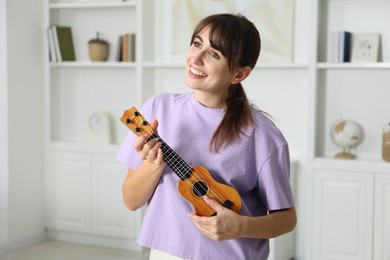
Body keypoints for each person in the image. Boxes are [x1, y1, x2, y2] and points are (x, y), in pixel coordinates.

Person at [116, 13, 296, 260]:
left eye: (214, 54)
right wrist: (152, 164)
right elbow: (130, 200)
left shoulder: (263, 135)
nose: (196, 58)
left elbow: (286, 219)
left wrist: (240, 226)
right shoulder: (157, 109)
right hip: (166, 253)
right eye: (197, 43)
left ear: (239, 74)